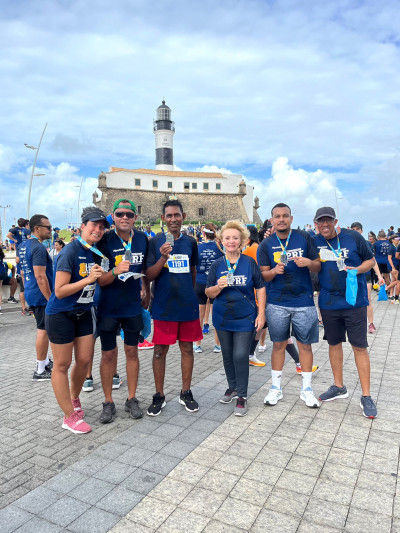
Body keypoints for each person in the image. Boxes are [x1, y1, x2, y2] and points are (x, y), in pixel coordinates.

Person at [45, 207, 108, 434]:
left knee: (83, 361)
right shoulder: (69, 252)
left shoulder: (95, 250)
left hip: (84, 312)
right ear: (82, 226)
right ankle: (68, 417)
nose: (98, 230)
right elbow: (59, 291)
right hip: (61, 313)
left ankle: (73, 399)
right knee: (61, 365)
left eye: (101, 227)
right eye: (93, 225)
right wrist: (88, 279)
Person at [313, 207, 377, 418]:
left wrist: (357, 270)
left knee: (359, 346)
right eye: (320, 221)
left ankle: (366, 396)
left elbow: (370, 261)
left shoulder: (353, 237)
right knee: (334, 344)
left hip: (354, 302)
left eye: (328, 221)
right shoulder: (315, 241)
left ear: (335, 221)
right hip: (329, 303)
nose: (325, 225)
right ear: (316, 224)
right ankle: (338, 386)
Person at [258, 203, 321, 408]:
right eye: (277, 216)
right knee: (278, 345)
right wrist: (274, 272)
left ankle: (307, 389)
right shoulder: (266, 244)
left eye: (285, 216)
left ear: (291, 219)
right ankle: (275, 388)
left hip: (304, 301)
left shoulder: (304, 238)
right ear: (272, 220)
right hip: (277, 302)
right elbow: (262, 275)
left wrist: (308, 263)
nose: (281, 219)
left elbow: (318, 265)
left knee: (305, 345)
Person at [145, 200, 202, 416]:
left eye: (176, 215)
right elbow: (149, 275)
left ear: (183, 216)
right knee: (160, 351)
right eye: (168, 215)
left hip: (186, 305)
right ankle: (159, 395)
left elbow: (193, 272)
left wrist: (190, 292)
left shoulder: (190, 242)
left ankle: (185, 392)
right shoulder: (155, 242)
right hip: (164, 305)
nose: (173, 219)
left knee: (187, 348)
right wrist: (163, 257)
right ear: (163, 219)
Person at [96, 199, 150, 423]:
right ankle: (108, 402)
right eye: (120, 214)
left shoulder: (142, 240)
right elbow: (100, 281)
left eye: (129, 214)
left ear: (135, 217)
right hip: (108, 307)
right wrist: (116, 271)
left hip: (131, 307)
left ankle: (131, 398)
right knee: (108, 354)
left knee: (132, 352)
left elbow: (145, 267)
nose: (125, 217)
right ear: (113, 216)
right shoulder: (105, 240)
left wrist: (146, 289)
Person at [206, 221, 266, 416]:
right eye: (227, 238)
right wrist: (218, 287)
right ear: (221, 241)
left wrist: (261, 313)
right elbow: (208, 292)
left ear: (241, 241)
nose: (231, 241)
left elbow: (261, 287)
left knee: (240, 355)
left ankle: (242, 395)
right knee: (227, 355)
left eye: (235, 238)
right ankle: (232, 387)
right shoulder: (217, 265)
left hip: (245, 317)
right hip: (223, 317)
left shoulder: (249, 263)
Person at [18, 215, 54, 380]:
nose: (50, 230)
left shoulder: (24, 245)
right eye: (48, 227)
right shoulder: (38, 248)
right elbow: (41, 277)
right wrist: (50, 299)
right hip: (40, 295)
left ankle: (45, 361)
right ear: (37, 228)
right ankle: (40, 370)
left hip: (32, 291)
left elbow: (25, 272)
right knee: (43, 330)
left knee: (43, 328)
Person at [194, 223, 224, 354]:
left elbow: (194, 266)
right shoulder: (219, 248)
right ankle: (217, 345)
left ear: (203, 234)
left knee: (199, 316)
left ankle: (197, 344)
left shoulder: (198, 248)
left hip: (199, 284)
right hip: (214, 285)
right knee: (215, 315)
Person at [350, 222, 384, 332]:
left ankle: (371, 323)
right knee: (351, 300)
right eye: (353, 229)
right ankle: (353, 324)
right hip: (351, 277)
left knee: (367, 300)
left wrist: (379, 276)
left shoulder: (367, 243)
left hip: (366, 276)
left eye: (357, 229)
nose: (355, 231)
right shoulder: (346, 244)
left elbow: (373, 262)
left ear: (362, 231)